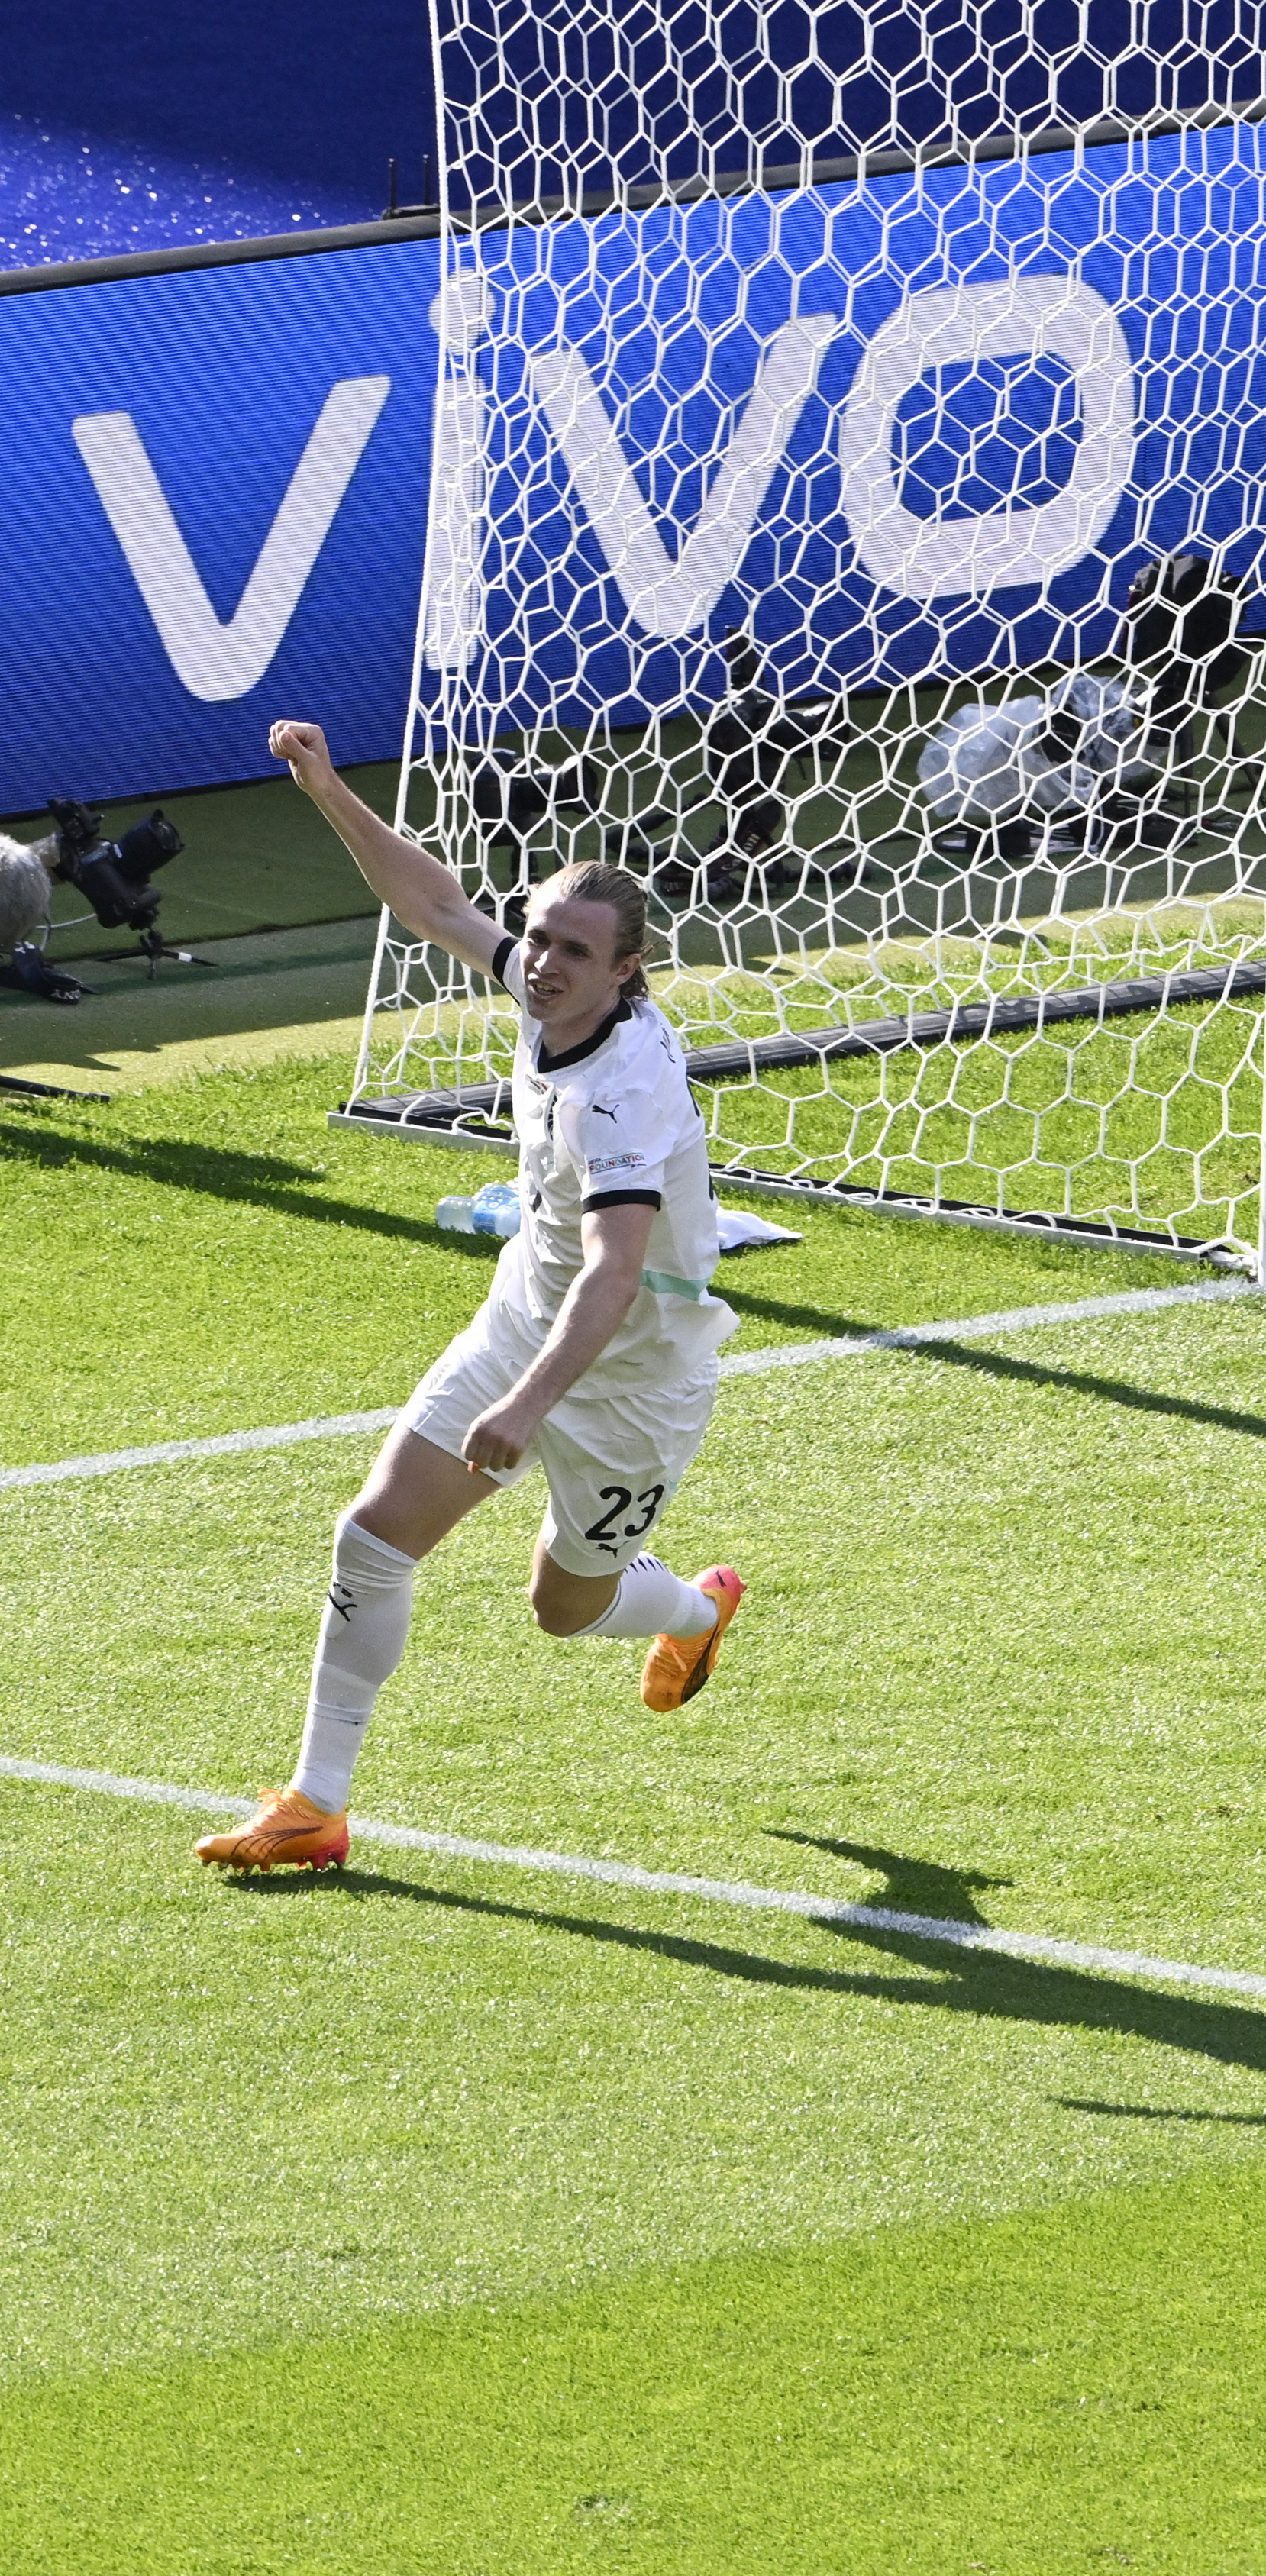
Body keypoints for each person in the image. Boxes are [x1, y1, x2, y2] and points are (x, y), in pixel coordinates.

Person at [197, 721, 745, 1873]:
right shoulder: (555, 997)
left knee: (565, 1609)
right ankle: (316, 1805)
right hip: (524, 1323)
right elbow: (439, 905)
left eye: (573, 951)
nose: (540, 963)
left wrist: (531, 1403)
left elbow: (617, 1271)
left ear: (627, 969)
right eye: (537, 937)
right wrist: (328, 788)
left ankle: (697, 1611)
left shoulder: (617, 1096)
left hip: (635, 1379)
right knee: (372, 1537)